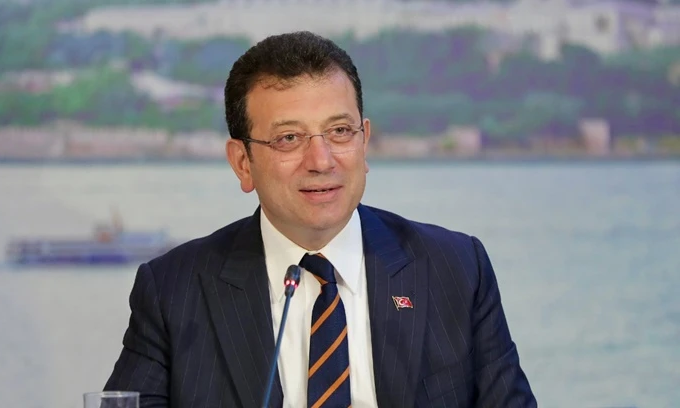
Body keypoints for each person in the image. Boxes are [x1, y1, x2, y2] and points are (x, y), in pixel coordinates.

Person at [103, 31, 537, 408]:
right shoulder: (174, 291)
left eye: (340, 132)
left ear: (364, 142)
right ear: (243, 163)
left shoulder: (455, 269)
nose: (321, 160)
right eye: (289, 138)